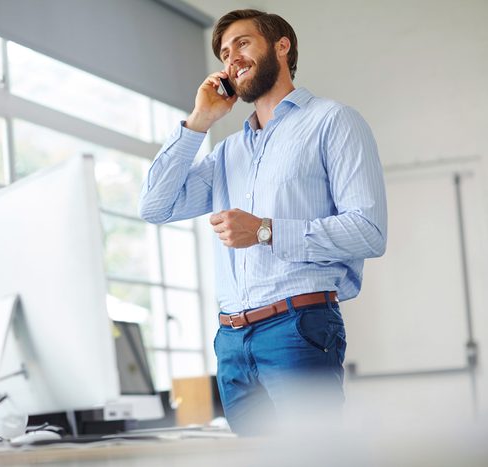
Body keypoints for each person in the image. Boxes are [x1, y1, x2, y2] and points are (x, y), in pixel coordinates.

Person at [138, 9, 387, 435]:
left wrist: (264, 231)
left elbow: (369, 231)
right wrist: (199, 123)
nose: (231, 56)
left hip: (296, 329)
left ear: (281, 46)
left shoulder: (333, 121)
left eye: (242, 42)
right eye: (223, 52)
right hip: (232, 342)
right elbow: (155, 206)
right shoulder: (227, 152)